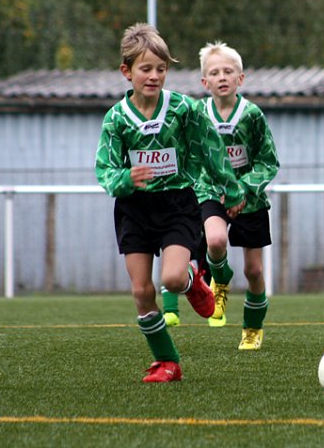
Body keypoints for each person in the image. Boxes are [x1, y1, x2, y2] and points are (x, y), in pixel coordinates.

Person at [95, 23, 246, 382]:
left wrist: (234, 189)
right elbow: (105, 169)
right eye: (145, 69)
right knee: (141, 290)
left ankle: (193, 279)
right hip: (134, 209)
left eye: (160, 69)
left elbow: (211, 148)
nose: (153, 76)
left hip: (177, 204)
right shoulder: (116, 119)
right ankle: (168, 362)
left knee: (173, 278)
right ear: (126, 71)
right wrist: (124, 179)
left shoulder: (182, 108)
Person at [192, 41, 279, 350]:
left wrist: (243, 190)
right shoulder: (197, 114)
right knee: (215, 241)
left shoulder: (251, 115)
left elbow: (269, 161)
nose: (222, 77)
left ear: (240, 78)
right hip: (212, 191)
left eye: (228, 71)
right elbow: (193, 156)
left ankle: (253, 327)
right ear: (205, 82)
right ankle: (220, 277)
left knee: (254, 270)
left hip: (249, 198)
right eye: (214, 73)